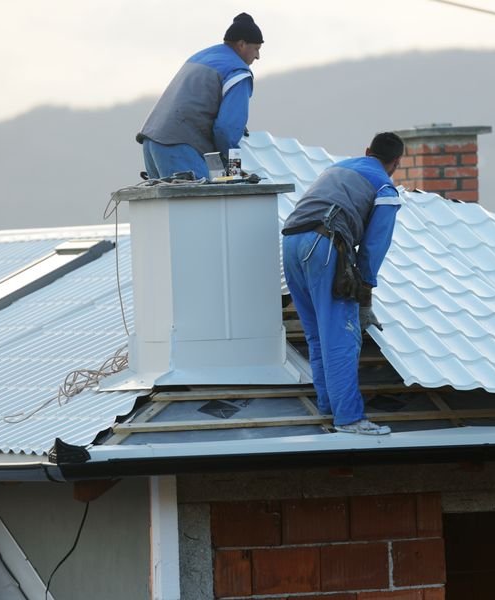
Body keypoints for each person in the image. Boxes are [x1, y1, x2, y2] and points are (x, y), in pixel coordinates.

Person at [281, 132, 405, 435]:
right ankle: (349, 418)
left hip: (291, 242)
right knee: (341, 335)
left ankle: (328, 405)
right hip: (324, 245)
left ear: (367, 151)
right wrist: (364, 299)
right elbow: (373, 250)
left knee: (317, 334)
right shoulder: (384, 188)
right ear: (396, 164)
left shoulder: (336, 169)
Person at [136, 13, 263, 179]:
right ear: (241, 44)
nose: (258, 56)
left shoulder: (202, 57)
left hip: (151, 141)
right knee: (204, 204)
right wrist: (234, 171)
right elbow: (227, 129)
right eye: (256, 49)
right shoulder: (238, 72)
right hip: (180, 146)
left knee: (171, 204)